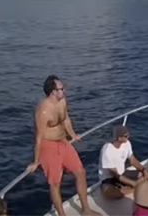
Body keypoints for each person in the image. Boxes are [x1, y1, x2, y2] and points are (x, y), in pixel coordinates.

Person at [26, 75, 101, 216]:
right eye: (61, 89)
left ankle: (86, 210)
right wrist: (36, 161)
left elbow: (65, 119)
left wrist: (72, 134)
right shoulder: (43, 110)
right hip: (48, 146)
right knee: (55, 184)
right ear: (53, 92)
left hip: (63, 142)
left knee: (80, 172)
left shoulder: (62, 102)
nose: (64, 91)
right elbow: (38, 137)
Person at [101, 125, 147, 200]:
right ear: (119, 138)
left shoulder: (127, 144)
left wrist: (143, 170)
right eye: (126, 136)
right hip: (109, 178)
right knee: (113, 195)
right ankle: (132, 189)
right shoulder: (107, 150)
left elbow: (133, 160)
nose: (128, 137)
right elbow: (115, 175)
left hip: (122, 173)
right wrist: (133, 184)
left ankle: (127, 188)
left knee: (144, 175)